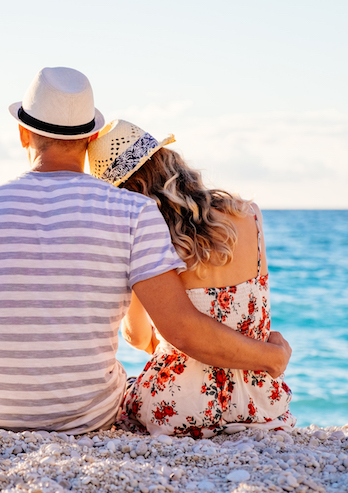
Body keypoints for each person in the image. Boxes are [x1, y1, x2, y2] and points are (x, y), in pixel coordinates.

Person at [0, 67, 292, 434]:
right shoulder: (134, 212)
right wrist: (271, 356)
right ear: (91, 138)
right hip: (85, 417)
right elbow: (180, 329)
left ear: (23, 134)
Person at [88, 119, 296, 438]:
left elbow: (138, 336)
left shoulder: (143, 236)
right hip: (261, 403)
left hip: (180, 407)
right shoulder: (249, 214)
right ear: (169, 159)